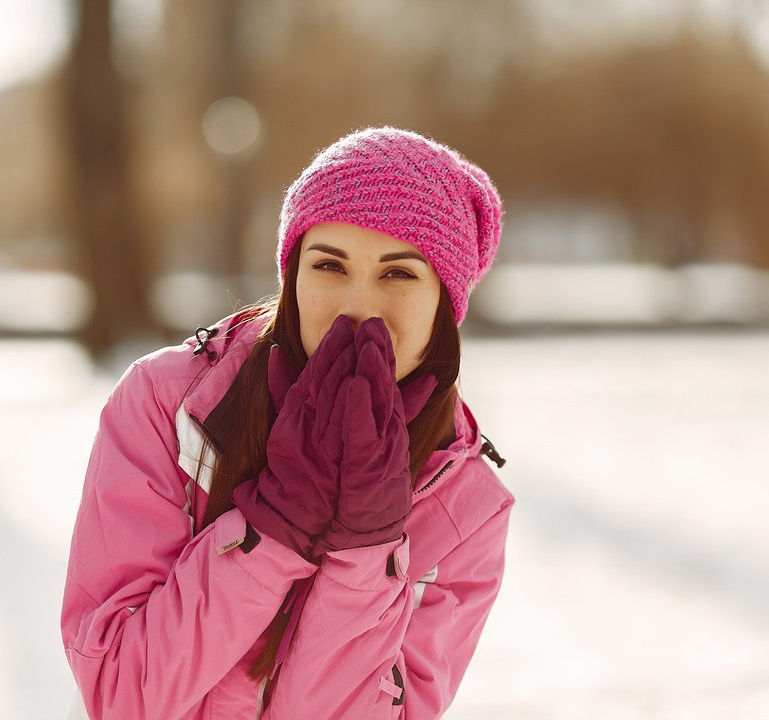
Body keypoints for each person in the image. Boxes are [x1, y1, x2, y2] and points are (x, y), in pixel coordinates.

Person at [61, 126, 514, 719]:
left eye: (399, 273)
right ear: (293, 278)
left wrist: (364, 554)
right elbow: (121, 695)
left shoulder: (463, 505)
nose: (358, 305)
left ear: (444, 306)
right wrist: (271, 532)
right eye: (329, 265)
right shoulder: (169, 409)